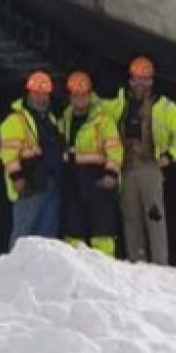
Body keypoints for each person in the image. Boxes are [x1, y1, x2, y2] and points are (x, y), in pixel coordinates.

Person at [109, 55, 176, 264]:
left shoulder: (165, 107)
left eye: (145, 79)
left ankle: (160, 263)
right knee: (131, 217)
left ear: (152, 81)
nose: (140, 84)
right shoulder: (120, 104)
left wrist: (169, 156)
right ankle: (137, 261)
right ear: (130, 80)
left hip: (150, 167)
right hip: (127, 168)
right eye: (136, 79)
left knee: (155, 216)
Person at [59, 69, 123, 257]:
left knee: (102, 233)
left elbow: (114, 149)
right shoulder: (65, 120)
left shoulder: (103, 121)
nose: (79, 99)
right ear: (70, 96)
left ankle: (105, 270)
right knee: (73, 233)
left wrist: (111, 174)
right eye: (75, 95)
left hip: (99, 180)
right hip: (74, 181)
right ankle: (73, 270)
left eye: (83, 94)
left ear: (90, 95)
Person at [0, 70, 66, 247]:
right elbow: (8, 153)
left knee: (47, 236)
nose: (41, 98)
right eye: (37, 93)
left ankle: (43, 266)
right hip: (29, 185)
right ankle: (17, 264)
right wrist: (17, 178)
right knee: (23, 234)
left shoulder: (50, 119)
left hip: (50, 183)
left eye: (44, 94)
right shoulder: (16, 120)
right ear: (29, 93)